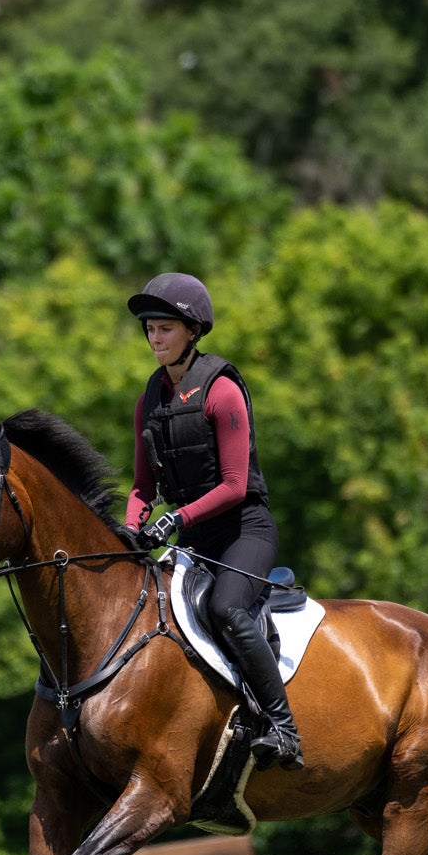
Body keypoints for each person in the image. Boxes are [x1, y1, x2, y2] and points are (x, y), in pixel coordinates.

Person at [125, 273, 303, 770]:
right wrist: (133, 525)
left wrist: (173, 519)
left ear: (191, 331)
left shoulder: (222, 391)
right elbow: (142, 487)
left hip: (245, 530)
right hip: (195, 537)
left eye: (164, 329)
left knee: (226, 607)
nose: (155, 339)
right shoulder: (150, 401)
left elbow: (233, 485)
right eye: (149, 330)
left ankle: (283, 728)